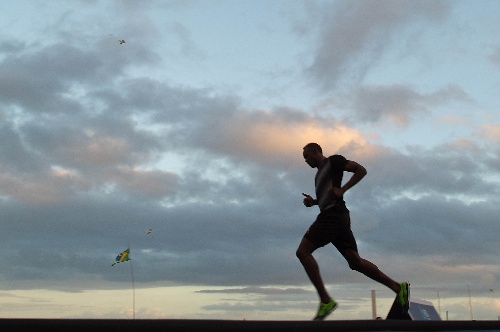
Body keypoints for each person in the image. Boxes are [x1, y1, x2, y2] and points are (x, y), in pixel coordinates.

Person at [296, 142, 409, 320]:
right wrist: (315, 202)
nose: (306, 161)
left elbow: (361, 170)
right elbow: (330, 194)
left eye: (307, 156)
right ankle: (397, 288)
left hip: (333, 216)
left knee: (302, 252)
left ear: (317, 152)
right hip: (337, 217)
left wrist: (343, 189)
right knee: (355, 262)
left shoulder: (334, 161)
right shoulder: (319, 175)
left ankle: (326, 301)